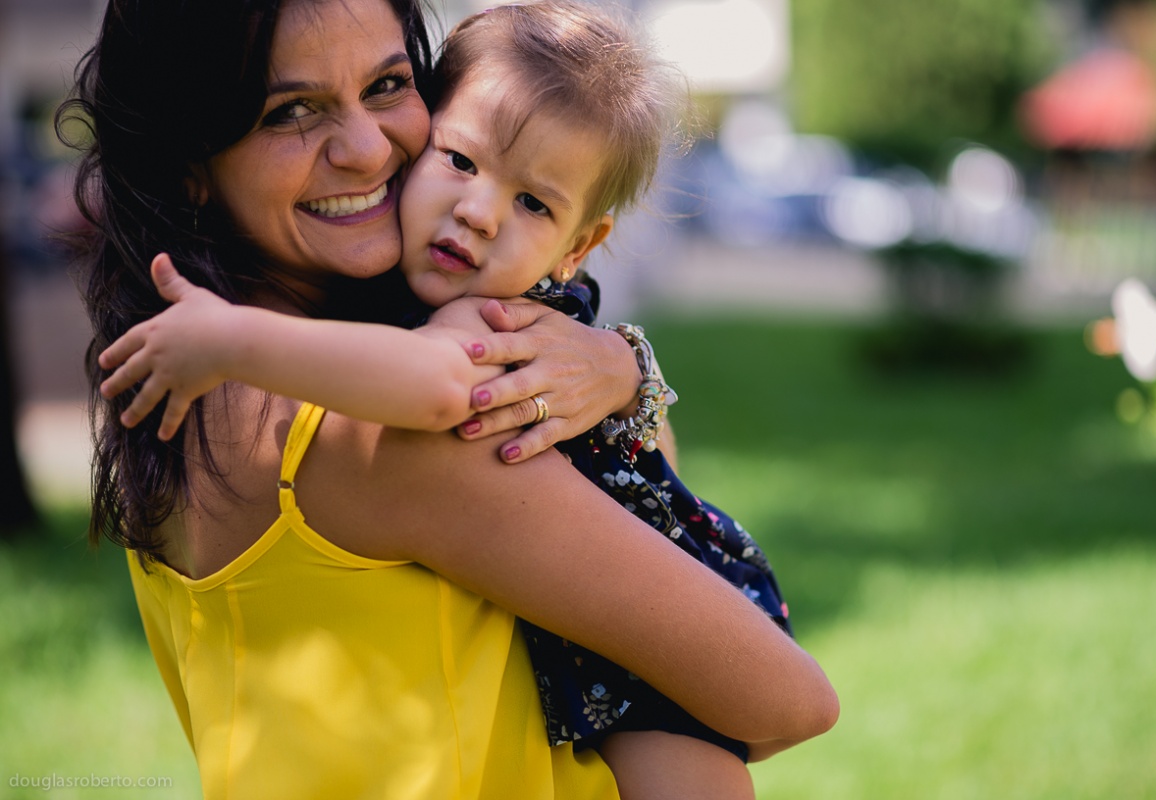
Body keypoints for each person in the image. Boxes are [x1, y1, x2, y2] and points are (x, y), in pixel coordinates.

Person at [61, 0, 839, 797]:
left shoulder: (170, 410)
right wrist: (630, 374)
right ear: (187, 157)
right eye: (289, 110)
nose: (368, 149)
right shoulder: (389, 436)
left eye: (390, 83)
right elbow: (792, 701)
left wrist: (621, 372)